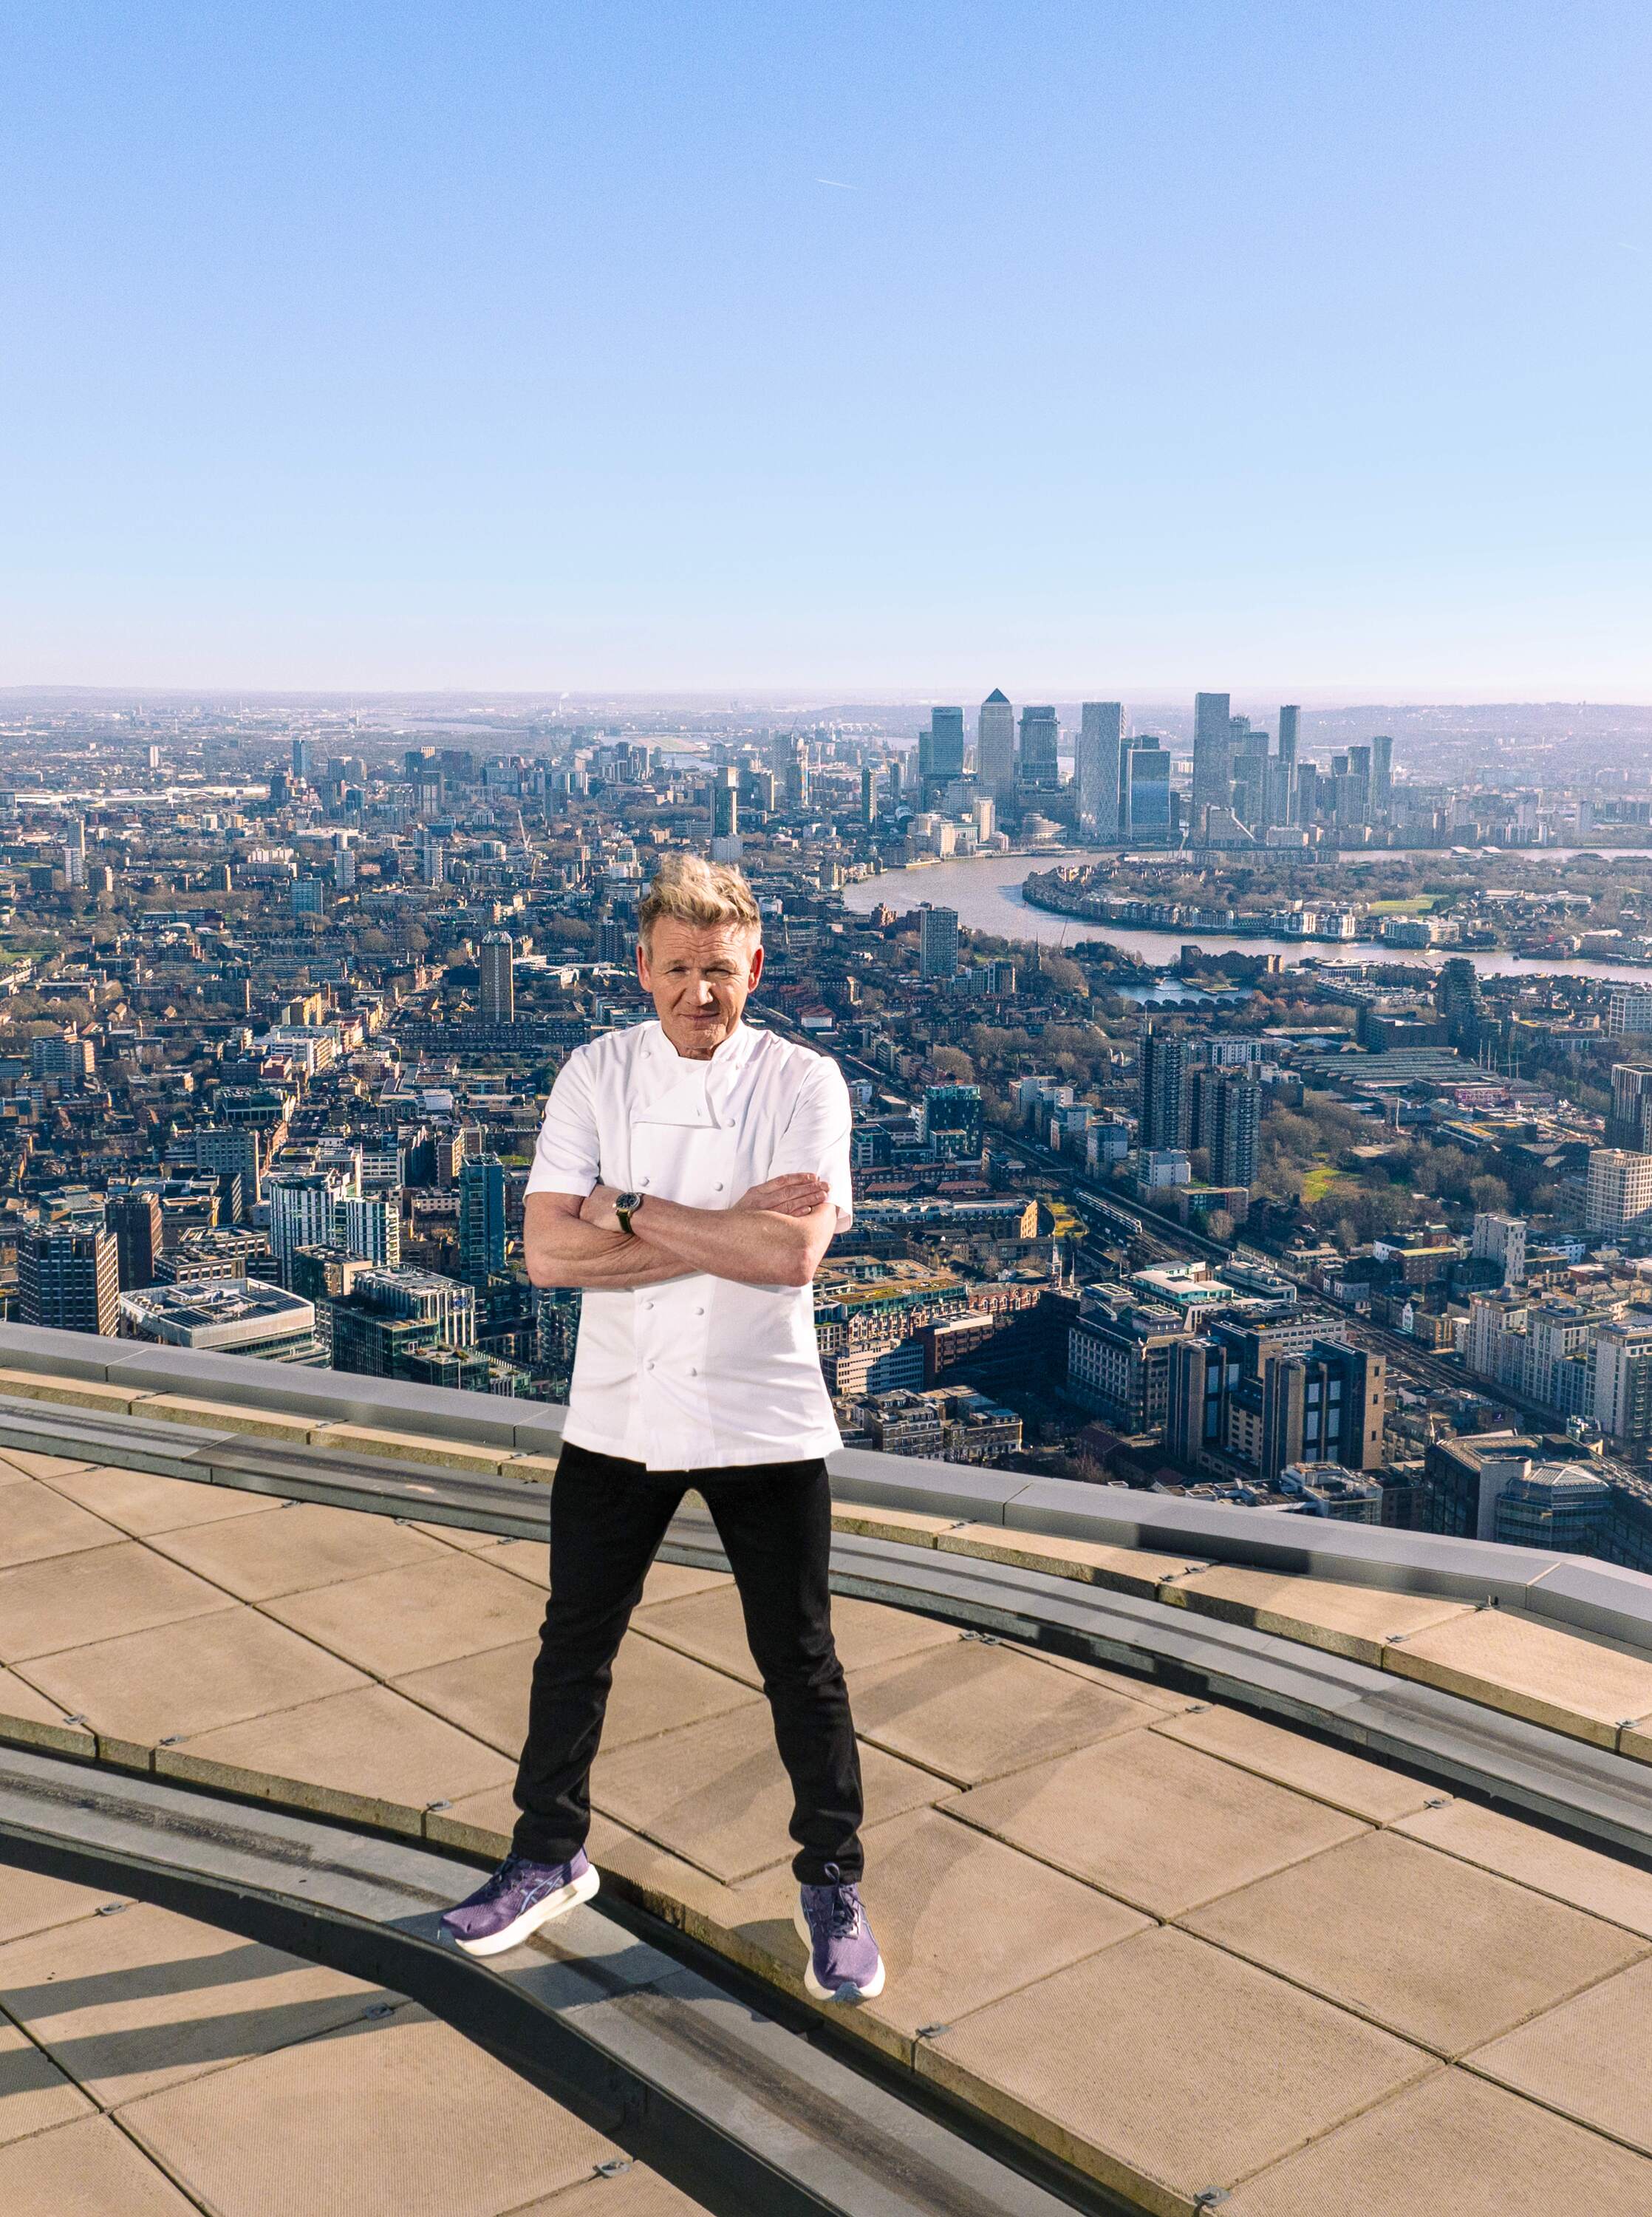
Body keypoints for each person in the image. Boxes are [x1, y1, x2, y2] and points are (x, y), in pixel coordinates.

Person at [441, 854, 883, 2004]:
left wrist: (628, 1209)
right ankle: (548, 1855)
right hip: (620, 1406)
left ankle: (832, 1883)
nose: (700, 991)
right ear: (642, 968)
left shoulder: (805, 1083)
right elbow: (548, 1255)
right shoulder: (595, 1071)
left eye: (720, 970)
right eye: (679, 969)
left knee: (800, 1658)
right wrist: (721, 1228)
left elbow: (792, 1257)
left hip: (761, 1408)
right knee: (573, 1644)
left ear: (756, 968)